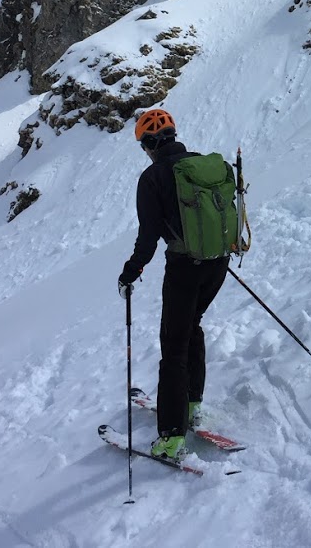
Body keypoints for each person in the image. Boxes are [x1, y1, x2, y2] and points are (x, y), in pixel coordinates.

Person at [117, 109, 231, 461]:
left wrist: (131, 271)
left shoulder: (152, 178)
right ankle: (192, 402)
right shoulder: (201, 166)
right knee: (191, 327)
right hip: (218, 261)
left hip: (184, 268)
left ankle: (170, 437)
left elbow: (149, 236)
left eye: (143, 144)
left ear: (150, 143)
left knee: (173, 347)